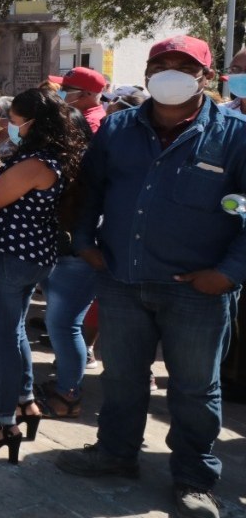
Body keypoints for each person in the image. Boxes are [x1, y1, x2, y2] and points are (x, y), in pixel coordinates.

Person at [58, 36, 245, 517]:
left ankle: (194, 477)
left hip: (198, 291)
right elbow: (91, 189)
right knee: (122, 378)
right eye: (161, 64)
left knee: (195, 389)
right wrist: (84, 241)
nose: (170, 72)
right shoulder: (118, 127)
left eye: (184, 65)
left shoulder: (235, 134)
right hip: (122, 279)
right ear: (146, 72)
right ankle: (116, 453)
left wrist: (228, 274)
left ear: (206, 76)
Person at [0, 88, 81, 465]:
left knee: (2, 341)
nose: (9, 125)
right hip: (31, 255)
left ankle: (1, 424)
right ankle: (24, 403)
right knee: (15, 331)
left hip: (10, 258)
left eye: (15, 121)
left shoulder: (35, 163)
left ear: (33, 123)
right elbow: (1, 183)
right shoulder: (44, 157)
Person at [50, 67, 107, 133]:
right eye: (61, 88)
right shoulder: (75, 114)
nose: (60, 92)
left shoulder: (91, 124)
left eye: (65, 88)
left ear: (87, 94)